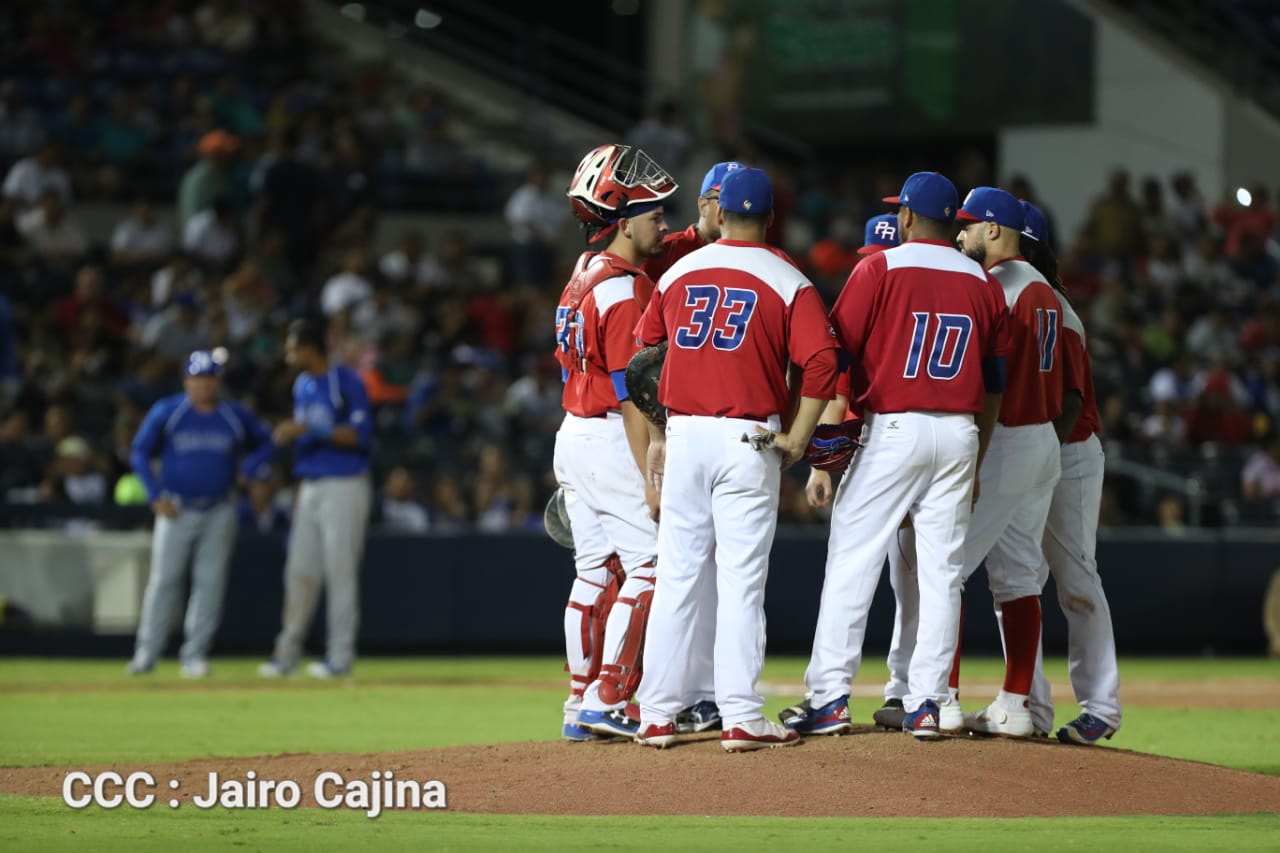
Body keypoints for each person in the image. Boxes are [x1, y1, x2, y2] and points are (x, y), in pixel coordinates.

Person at [781, 172, 1009, 741]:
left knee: (852, 559)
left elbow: (836, 356)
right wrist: (976, 457)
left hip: (894, 427)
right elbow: (995, 382)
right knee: (942, 573)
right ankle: (927, 703)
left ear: (906, 216)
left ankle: (829, 698)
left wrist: (824, 448)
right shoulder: (983, 282)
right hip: (959, 432)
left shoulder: (880, 267)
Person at [635, 167, 839, 751]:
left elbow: (644, 356)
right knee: (741, 582)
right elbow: (822, 363)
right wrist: (799, 437)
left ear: (719, 213)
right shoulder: (787, 277)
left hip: (685, 434)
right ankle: (741, 716)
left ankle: (656, 714)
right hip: (748, 438)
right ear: (771, 218)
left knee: (677, 577)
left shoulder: (679, 272)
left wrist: (659, 431)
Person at [553, 143, 674, 742]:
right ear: (624, 223)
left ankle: (579, 701)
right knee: (651, 566)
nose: (664, 224)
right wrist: (650, 472)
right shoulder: (623, 291)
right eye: (655, 215)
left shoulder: (584, 272)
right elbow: (633, 393)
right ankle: (609, 695)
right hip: (610, 433)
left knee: (595, 572)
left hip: (573, 431)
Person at [935, 187, 1065, 737]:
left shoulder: (998, 286)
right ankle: (1015, 704)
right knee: (1018, 578)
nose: (959, 233)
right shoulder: (1044, 289)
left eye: (967, 225)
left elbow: (986, 378)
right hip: (1043, 441)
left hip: (1007, 438)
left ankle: (939, 696)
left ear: (993, 229)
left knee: (945, 567)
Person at [1020, 200, 1123, 745]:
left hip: (1071, 452)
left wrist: (1039, 455)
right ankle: (1028, 704)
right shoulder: (1015, 296)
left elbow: (1073, 399)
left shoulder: (1057, 309)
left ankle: (1101, 706)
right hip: (1033, 451)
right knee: (1017, 579)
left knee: (1077, 577)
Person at [126, 350, 273, 677]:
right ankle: (146, 653)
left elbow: (267, 441)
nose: (204, 385)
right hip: (176, 507)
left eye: (210, 379)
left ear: (218, 382)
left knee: (210, 584)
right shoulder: (169, 411)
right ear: (187, 381)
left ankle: (194, 654)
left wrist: (250, 466)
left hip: (219, 508)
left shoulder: (233, 415)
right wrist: (154, 496)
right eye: (198, 379)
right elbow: (139, 452)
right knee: (164, 582)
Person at [259, 319, 373, 679]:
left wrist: (309, 428)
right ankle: (286, 654)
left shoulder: (346, 381)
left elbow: (361, 435)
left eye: (294, 349)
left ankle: (340, 657)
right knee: (299, 570)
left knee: (340, 571)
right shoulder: (303, 385)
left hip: (345, 482)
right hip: (310, 483)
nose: (289, 356)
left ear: (311, 349)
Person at [643, 161, 741, 282]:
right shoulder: (666, 251)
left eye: (740, 202)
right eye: (724, 200)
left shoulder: (751, 255)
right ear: (703, 205)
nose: (734, 208)